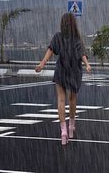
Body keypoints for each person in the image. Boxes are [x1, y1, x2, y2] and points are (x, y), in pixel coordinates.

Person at [35, 13, 91, 145]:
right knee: (72, 99)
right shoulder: (76, 38)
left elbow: (50, 51)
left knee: (61, 100)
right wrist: (87, 64)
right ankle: (71, 126)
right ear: (73, 24)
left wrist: (42, 64)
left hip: (61, 70)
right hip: (74, 72)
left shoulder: (57, 37)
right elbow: (82, 54)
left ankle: (63, 130)